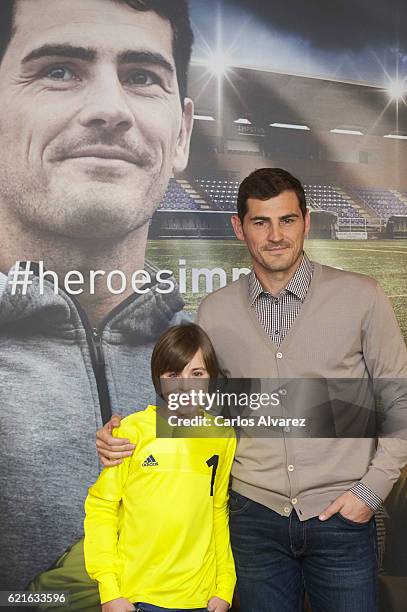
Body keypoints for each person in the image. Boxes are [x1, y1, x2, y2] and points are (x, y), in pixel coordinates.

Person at [99, 168, 407, 612]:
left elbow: (399, 401)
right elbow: (198, 412)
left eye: (287, 220)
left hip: (340, 516)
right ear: (238, 227)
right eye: (261, 222)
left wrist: (370, 492)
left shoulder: (362, 297)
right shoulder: (215, 310)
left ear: (306, 221)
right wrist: (124, 437)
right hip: (252, 520)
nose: (276, 235)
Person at [0, 0, 194, 590]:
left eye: (142, 76)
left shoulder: (215, 349)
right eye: (60, 70)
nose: (111, 109)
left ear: (182, 133)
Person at [84, 323, 236, 612]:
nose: (185, 385)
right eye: (173, 374)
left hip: (201, 599)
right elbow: (102, 509)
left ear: (211, 379)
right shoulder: (131, 431)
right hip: (138, 597)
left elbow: (217, 510)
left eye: (197, 373)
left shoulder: (222, 436)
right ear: (158, 379)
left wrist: (224, 585)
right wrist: (109, 589)